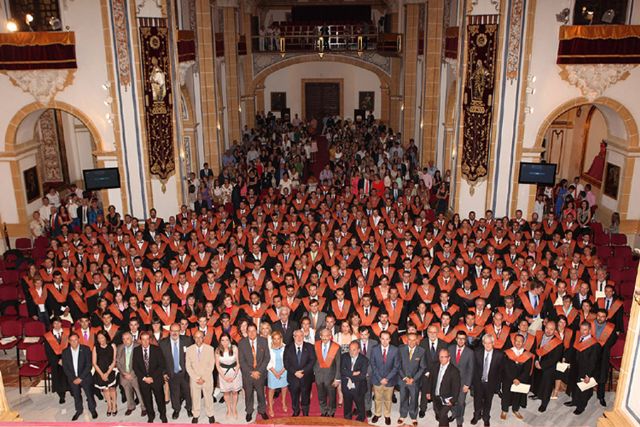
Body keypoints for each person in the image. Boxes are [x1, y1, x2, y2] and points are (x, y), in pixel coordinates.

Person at [565, 321, 601, 414]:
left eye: (585, 330)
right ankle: (574, 401)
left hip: (585, 369)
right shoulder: (578, 339)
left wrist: (588, 375)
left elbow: (593, 361)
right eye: (581, 329)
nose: (582, 331)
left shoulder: (594, 344)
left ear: (589, 330)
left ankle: (581, 406)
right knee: (574, 386)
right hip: (575, 367)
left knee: (583, 389)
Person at [159, 323, 193, 419]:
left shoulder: (187, 340)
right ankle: (176, 409)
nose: (174, 333)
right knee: (174, 393)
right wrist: (164, 373)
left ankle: (189, 408)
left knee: (187, 391)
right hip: (171, 373)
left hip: (185, 372)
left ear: (180, 331)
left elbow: (191, 356)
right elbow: (161, 360)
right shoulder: (163, 343)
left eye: (177, 331)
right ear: (169, 331)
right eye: (173, 331)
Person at [132, 332, 167, 423]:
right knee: (147, 400)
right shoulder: (136, 351)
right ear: (140, 340)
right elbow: (135, 367)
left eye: (147, 339)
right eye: (143, 339)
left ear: (150, 339)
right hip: (143, 380)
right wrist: (144, 378)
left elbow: (161, 365)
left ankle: (163, 415)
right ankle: (151, 416)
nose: (145, 341)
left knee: (160, 399)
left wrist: (152, 378)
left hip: (156, 379)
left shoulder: (157, 349)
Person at [61, 333, 98, 420]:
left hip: (84, 377)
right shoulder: (65, 352)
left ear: (79, 340)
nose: (74, 342)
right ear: (69, 341)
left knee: (89, 394)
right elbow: (65, 367)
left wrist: (80, 378)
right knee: (76, 395)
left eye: (76, 340)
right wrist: (74, 378)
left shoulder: (85, 349)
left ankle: (92, 409)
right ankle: (79, 410)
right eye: (72, 340)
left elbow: (89, 365)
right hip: (72, 378)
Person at [238, 323, 270, 422]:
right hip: (248, 375)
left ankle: (262, 410)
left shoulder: (263, 341)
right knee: (249, 394)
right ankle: (249, 411)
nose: (251, 333)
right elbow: (241, 361)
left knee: (261, 393)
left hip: (260, 374)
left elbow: (267, 357)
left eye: (253, 331)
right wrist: (251, 372)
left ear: (257, 331)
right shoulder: (242, 343)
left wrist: (259, 371)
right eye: (249, 331)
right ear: (247, 332)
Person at [471, 334, 504, 427]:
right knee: (477, 400)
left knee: (488, 401)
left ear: (493, 343)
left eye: (490, 343)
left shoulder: (499, 355)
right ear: (482, 343)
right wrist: (472, 383)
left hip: (491, 383)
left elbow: (500, 372)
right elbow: (473, 368)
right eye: (485, 343)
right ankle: (476, 416)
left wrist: (497, 386)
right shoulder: (477, 352)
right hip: (478, 382)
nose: (488, 345)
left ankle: (486, 417)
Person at [531, 320, 563, 412]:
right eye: (547, 328)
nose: (548, 331)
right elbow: (535, 350)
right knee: (538, 382)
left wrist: (542, 365)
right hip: (538, 364)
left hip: (549, 368)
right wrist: (536, 361)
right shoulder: (539, 336)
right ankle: (537, 394)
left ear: (555, 330)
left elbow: (554, 358)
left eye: (551, 329)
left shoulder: (557, 343)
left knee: (547, 386)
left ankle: (544, 403)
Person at [283, 329, 317, 416]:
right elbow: (286, 363)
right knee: (294, 395)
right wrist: (295, 372)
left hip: (306, 376)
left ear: (303, 337)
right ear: (293, 337)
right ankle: (296, 410)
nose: (299, 338)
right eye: (296, 336)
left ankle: (305, 411)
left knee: (306, 395)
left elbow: (312, 360)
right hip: (293, 376)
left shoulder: (309, 347)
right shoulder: (288, 347)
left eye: (301, 336)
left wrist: (303, 371)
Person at [500, 334, 533, 420]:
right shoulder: (507, 353)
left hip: (520, 380)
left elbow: (527, 370)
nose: (518, 343)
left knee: (517, 395)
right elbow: (505, 367)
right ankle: (504, 410)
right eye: (516, 341)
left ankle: (515, 409)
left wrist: (519, 379)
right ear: (514, 342)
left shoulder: (527, 354)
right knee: (506, 394)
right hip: (508, 378)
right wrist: (513, 378)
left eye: (520, 341)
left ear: (523, 343)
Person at [369, 330, 400, 425]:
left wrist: (387, 378)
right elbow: (373, 364)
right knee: (377, 398)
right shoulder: (374, 349)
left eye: (387, 339)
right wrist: (380, 378)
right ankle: (377, 414)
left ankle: (387, 415)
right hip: (377, 379)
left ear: (390, 339)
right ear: (379, 339)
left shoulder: (395, 350)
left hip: (389, 380)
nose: (385, 341)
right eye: (383, 339)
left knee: (388, 399)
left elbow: (396, 366)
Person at [186, 330, 216, 424]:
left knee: (208, 397)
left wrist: (203, 378)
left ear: (204, 338)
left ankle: (210, 414)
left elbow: (211, 365)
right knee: (195, 398)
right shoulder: (189, 349)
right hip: (194, 379)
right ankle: (196, 415)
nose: (198, 339)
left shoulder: (210, 349)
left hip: (207, 378)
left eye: (200, 337)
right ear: (193, 338)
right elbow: (188, 366)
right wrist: (196, 378)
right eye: (196, 337)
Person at [426, 349, 461, 427]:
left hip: (447, 398)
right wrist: (428, 392)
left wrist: (452, 400)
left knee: (442, 415)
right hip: (436, 395)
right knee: (440, 414)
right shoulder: (435, 366)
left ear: (449, 358)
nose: (442, 359)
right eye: (440, 357)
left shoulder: (454, 371)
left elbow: (456, 388)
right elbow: (430, 380)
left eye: (444, 357)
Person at [398, 332, 426, 426]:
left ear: (417, 340)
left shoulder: (421, 351)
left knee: (414, 399)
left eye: (414, 340)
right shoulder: (401, 349)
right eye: (410, 339)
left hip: (415, 381)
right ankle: (402, 414)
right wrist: (405, 378)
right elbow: (398, 365)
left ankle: (413, 416)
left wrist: (413, 379)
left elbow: (422, 367)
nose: (412, 342)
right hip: (403, 379)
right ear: (407, 340)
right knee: (403, 397)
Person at [420, 325, 448, 417]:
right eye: (430, 332)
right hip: (426, 371)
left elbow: (444, 360)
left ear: (438, 333)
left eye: (434, 332)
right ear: (427, 333)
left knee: (437, 392)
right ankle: (423, 409)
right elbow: (421, 359)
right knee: (424, 390)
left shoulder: (443, 344)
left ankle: (437, 410)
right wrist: (426, 371)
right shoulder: (422, 343)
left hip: (438, 372)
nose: (432, 334)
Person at [116, 331, 146, 417]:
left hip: (135, 375)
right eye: (123, 339)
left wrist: (131, 374)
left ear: (132, 339)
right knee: (127, 392)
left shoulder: (138, 347)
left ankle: (144, 408)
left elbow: (140, 364)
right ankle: (131, 406)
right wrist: (123, 373)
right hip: (124, 375)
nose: (125, 341)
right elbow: (117, 362)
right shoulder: (120, 347)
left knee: (139, 392)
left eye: (127, 339)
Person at [449, 331, 474, 427]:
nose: (460, 340)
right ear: (456, 339)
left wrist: (467, 384)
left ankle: (459, 420)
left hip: (463, 382)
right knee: (451, 400)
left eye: (463, 339)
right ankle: (454, 413)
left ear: (465, 340)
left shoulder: (470, 352)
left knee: (461, 402)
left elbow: (470, 369)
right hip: (451, 381)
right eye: (459, 338)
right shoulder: (450, 348)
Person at [314, 328, 341, 417]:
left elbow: (338, 363)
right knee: (321, 394)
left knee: (332, 395)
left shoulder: (336, 347)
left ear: (330, 336)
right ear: (320, 336)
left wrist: (337, 378)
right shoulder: (316, 345)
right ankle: (323, 410)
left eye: (327, 336)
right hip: (319, 374)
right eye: (323, 336)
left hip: (331, 375)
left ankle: (331, 411)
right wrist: (314, 371)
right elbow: (314, 360)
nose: (325, 338)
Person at [341, 340, 369, 421]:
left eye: (354, 350)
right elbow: (342, 370)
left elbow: (362, 375)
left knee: (360, 405)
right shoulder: (344, 356)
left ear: (359, 350)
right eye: (350, 349)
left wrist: (349, 376)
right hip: (346, 386)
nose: (351, 352)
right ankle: (347, 419)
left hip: (359, 386)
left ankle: (360, 419)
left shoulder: (364, 360)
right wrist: (353, 373)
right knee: (347, 404)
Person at [215, 332, 242, 418]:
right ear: (220, 341)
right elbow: (217, 365)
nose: (225, 342)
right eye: (222, 340)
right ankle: (228, 409)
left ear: (230, 340)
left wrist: (234, 376)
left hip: (235, 372)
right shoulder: (217, 350)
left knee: (234, 392)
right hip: (223, 374)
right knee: (226, 393)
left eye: (227, 340)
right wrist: (224, 377)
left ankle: (234, 409)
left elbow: (238, 363)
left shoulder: (234, 348)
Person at [43, 317, 69, 404]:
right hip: (55, 360)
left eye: (58, 323)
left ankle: (71, 390)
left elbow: (70, 347)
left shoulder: (67, 332)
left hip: (66, 358)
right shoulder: (48, 336)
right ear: (52, 325)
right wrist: (57, 360)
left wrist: (64, 359)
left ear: (61, 323)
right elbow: (48, 351)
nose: (57, 325)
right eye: (55, 323)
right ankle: (61, 395)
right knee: (58, 378)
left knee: (68, 375)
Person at [92, 330, 118, 416]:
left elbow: (114, 360)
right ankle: (109, 406)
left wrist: (107, 373)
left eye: (102, 338)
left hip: (110, 370)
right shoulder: (95, 347)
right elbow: (94, 363)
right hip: (100, 372)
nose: (100, 340)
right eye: (99, 338)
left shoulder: (112, 346)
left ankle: (114, 405)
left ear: (106, 337)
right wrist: (102, 374)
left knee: (112, 389)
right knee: (105, 389)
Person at [267, 330, 288, 417]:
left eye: (278, 339)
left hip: (284, 370)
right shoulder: (269, 348)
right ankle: (270, 407)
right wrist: (275, 373)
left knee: (284, 387)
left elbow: (288, 360)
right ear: (272, 339)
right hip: (272, 371)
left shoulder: (285, 347)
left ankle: (283, 402)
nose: (276, 341)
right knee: (272, 389)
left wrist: (282, 371)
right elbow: (267, 361)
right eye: (274, 339)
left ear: (281, 339)